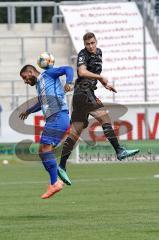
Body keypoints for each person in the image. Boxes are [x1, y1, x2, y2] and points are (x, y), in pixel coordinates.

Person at [58, 32, 139, 185]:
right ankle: (119, 151)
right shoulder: (83, 55)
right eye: (88, 44)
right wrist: (101, 78)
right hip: (83, 92)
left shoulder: (99, 53)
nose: (90, 46)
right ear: (84, 45)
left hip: (83, 94)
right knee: (105, 118)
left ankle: (61, 166)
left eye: (92, 43)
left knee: (75, 133)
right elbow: (82, 72)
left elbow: (94, 74)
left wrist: (104, 84)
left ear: (96, 42)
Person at [19, 63, 73, 199]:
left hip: (58, 115)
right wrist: (28, 111)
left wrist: (69, 82)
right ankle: (54, 181)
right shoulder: (40, 85)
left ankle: (55, 182)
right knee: (43, 150)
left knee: (45, 149)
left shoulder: (47, 74)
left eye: (25, 77)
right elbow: (42, 102)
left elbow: (68, 69)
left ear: (30, 72)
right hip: (54, 117)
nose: (25, 81)